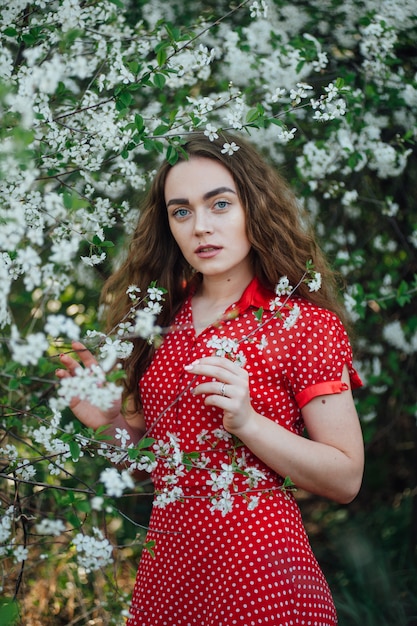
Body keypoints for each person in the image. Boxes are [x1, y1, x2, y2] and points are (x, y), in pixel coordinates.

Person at [57, 131, 364, 625]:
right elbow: (148, 465)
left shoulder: (302, 325)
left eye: (219, 204)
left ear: (254, 207)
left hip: (260, 576)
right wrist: (108, 422)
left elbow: (347, 477)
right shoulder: (158, 321)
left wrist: (247, 422)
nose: (200, 226)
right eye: (181, 211)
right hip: (168, 578)